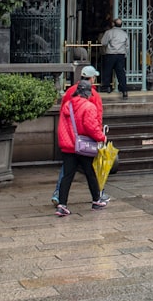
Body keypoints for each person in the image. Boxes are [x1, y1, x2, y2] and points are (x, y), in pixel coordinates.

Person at [52, 65, 106, 207]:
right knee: (91, 172)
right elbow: (93, 123)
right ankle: (97, 198)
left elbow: (64, 120)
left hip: (68, 142)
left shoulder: (69, 97)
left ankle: (61, 201)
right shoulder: (91, 102)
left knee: (67, 174)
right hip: (84, 142)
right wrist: (101, 136)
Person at [100, 18, 129, 98]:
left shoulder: (109, 32)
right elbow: (127, 46)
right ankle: (124, 90)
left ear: (113, 24)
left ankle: (107, 87)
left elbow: (103, 42)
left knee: (108, 71)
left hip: (111, 54)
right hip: (121, 55)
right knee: (121, 73)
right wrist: (125, 54)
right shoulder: (124, 33)